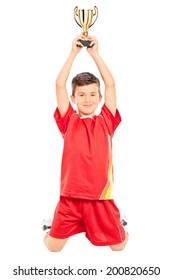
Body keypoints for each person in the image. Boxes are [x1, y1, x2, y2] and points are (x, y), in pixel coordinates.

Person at [43, 34, 128, 252]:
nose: (87, 99)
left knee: (118, 248)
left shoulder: (106, 121)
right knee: (53, 248)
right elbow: (59, 84)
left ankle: (121, 226)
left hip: (100, 199)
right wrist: (73, 53)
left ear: (99, 98)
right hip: (70, 198)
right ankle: (49, 227)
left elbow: (110, 84)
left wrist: (94, 54)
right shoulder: (68, 121)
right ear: (74, 99)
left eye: (92, 94)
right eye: (81, 95)